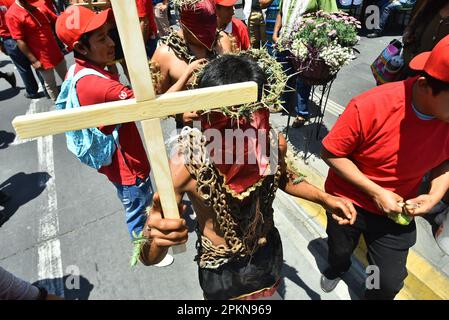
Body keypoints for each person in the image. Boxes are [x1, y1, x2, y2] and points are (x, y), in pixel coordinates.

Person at [137, 54, 357, 300]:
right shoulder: (186, 164)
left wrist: (324, 198)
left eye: (250, 118)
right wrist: (156, 239)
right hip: (221, 271)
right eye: (229, 121)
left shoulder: (271, 143)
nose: (241, 131)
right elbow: (147, 257)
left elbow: (283, 177)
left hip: (267, 254)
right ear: (205, 114)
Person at [319, 35, 449, 300]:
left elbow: (445, 161)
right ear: (425, 86)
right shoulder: (370, 105)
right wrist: (376, 192)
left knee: (387, 282)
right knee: (340, 251)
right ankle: (337, 267)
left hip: (398, 209)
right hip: (349, 200)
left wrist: (432, 196)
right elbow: (331, 152)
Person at [151, 0, 232, 126]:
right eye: (201, 35)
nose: (207, 39)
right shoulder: (164, 55)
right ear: (184, 26)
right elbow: (155, 103)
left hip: (227, 129)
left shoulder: (223, 40)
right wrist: (178, 114)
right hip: (191, 133)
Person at [272, 0, 338, 127]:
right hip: (283, 41)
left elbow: (331, 17)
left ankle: (302, 113)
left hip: (303, 46)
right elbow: (281, 13)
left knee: (302, 80)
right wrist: (276, 33)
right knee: (284, 74)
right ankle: (283, 104)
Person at [6, 0, 67, 101]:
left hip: (55, 51)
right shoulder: (12, 15)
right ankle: (59, 105)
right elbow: (19, 40)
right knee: (51, 84)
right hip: (41, 57)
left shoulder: (40, 4)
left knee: (67, 78)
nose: (36, 5)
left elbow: (55, 21)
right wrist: (34, 60)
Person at [0, 0, 47, 99]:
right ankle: (47, 88)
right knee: (35, 60)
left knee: (23, 67)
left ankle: (32, 92)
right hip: (24, 34)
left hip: (10, 38)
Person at [399, 0, 449, 78]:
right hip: (411, 63)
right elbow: (415, 22)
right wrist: (408, 32)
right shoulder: (431, 3)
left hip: (436, 77)